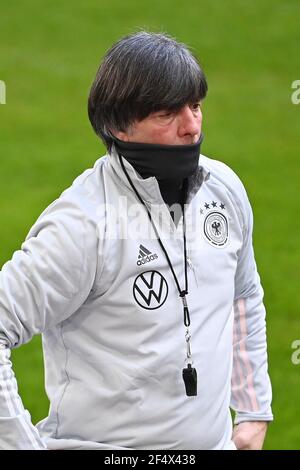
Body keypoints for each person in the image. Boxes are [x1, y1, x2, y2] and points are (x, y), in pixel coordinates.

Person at [0, 31, 273, 450]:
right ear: (117, 126)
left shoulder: (225, 191)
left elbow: (243, 296)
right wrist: (20, 444)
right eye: (167, 114)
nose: (191, 126)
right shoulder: (83, 225)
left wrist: (253, 410)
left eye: (196, 106)